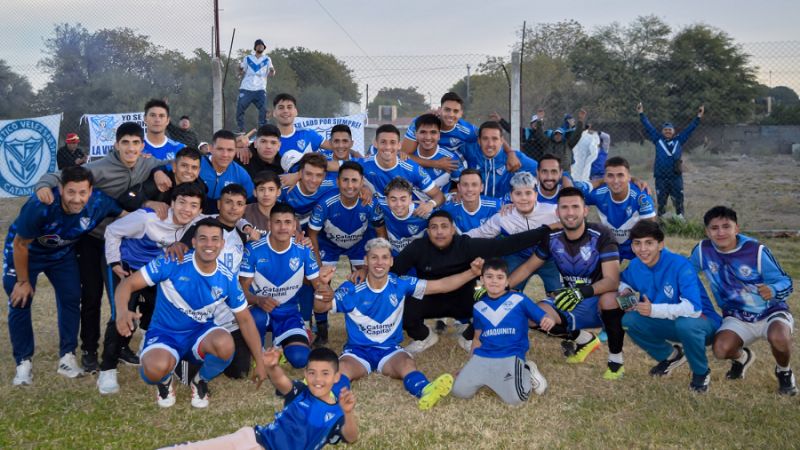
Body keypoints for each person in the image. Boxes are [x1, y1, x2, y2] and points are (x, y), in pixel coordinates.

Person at [34, 122, 171, 373]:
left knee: (124, 296)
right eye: (125, 143)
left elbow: (172, 164)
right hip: (93, 239)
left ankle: (120, 347)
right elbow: (64, 175)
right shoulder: (99, 168)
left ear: (143, 146)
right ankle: (88, 350)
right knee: (92, 296)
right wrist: (44, 185)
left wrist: (160, 170)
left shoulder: (148, 163)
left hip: (122, 244)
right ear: (116, 145)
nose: (131, 148)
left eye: (136, 143)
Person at [314, 237, 483, 410]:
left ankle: (426, 390)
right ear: (366, 261)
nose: (380, 262)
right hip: (358, 352)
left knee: (407, 364)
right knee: (342, 369)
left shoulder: (400, 284)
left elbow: (442, 285)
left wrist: (472, 273)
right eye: (374, 257)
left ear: (391, 261)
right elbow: (320, 308)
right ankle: (333, 397)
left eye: (384, 257)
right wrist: (322, 285)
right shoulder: (351, 289)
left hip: (390, 351)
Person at [115, 218, 267, 408]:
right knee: (154, 369)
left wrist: (260, 362)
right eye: (203, 238)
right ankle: (164, 381)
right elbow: (127, 284)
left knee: (225, 344)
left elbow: (245, 320)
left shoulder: (227, 277)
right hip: (165, 333)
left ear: (222, 243)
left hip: (199, 333)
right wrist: (122, 312)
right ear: (194, 242)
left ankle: (200, 380)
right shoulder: (171, 262)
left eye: (214, 239)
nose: (209, 244)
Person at [7, 166, 123, 385]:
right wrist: (22, 281)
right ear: (60, 189)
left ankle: (67, 356)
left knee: (71, 297)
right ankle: (23, 362)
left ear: (91, 191)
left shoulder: (100, 202)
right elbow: (20, 244)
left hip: (61, 255)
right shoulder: (41, 204)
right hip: (27, 253)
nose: (77, 199)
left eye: (82, 193)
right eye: (71, 192)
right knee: (20, 300)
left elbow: (129, 216)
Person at [389, 210, 556, 354]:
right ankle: (424, 336)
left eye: (444, 226)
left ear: (453, 229)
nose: (439, 232)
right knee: (398, 299)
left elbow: (505, 245)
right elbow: (393, 273)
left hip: (464, 299)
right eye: (434, 227)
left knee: (490, 296)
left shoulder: (466, 245)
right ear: (428, 231)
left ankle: (469, 337)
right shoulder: (417, 247)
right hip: (431, 297)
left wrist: (545, 230)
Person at [97, 182, 206, 394]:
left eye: (193, 205)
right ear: (171, 203)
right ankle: (107, 368)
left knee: (161, 308)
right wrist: (114, 262)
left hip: (154, 272)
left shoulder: (199, 221)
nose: (187, 209)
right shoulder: (147, 218)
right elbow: (111, 230)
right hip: (126, 266)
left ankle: (147, 343)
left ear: (200, 210)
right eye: (181, 203)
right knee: (122, 314)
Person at [508, 187, 625, 380]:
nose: (570, 213)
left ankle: (616, 361)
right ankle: (584, 339)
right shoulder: (552, 238)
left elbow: (612, 281)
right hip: (571, 299)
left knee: (610, 299)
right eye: (564, 207)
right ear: (557, 212)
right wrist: (501, 288)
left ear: (585, 210)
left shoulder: (601, 235)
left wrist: (581, 293)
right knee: (532, 316)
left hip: (599, 298)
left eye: (575, 207)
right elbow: (528, 267)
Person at [162, 347, 358, 449]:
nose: (318, 379)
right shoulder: (300, 392)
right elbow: (281, 381)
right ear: (305, 374)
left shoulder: (336, 413)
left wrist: (348, 413)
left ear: (336, 377)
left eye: (325, 373)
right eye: (312, 373)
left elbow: (351, 437)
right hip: (253, 438)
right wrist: (272, 366)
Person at [691, 206, 796, 395]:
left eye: (726, 226)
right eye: (714, 228)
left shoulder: (756, 251)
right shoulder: (702, 250)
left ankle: (784, 372)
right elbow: (685, 272)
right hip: (736, 315)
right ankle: (742, 358)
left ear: (736, 228)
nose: (721, 232)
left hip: (770, 311)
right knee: (721, 350)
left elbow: (786, 281)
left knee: (779, 337)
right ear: (707, 231)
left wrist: (772, 289)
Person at [620, 220, 721, 393]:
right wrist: (626, 291)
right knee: (629, 320)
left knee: (686, 323)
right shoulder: (636, 265)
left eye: (649, 243)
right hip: (668, 322)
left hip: (703, 324)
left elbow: (694, 309)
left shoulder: (680, 265)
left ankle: (701, 372)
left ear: (660, 244)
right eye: (637, 243)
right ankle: (670, 356)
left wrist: (653, 310)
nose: (642, 249)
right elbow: (620, 280)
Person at [239, 203, 334, 369]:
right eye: (277, 222)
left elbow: (317, 285)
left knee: (300, 359)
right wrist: (258, 299)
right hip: (262, 311)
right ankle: (266, 346)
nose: (283, 227)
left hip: (289, 313)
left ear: (294, 225)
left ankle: (281, 342)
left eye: (288, 222)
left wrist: (324, 286)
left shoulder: (304, 250)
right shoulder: (253, 250)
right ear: (269, 225)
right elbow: (241, 291)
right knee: (258, 317)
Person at [452, 258, 552, 404]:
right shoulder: (478, 306)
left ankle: (527, 369)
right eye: (489, 276)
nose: (494, 281)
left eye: (500, 277)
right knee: (459, 391)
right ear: (482, 280)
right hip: (483, 356)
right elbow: (477, 338)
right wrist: (470, 365)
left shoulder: (519, 299)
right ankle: (491, 376)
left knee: (516, 399)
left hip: (510, 355)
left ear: (506, 281)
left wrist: (548, 320)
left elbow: (544, 316)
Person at [466, 171, 562, 294]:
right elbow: (481, 232)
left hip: (548, 258)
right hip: (517, 256)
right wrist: (458, 239)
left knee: (559, 296)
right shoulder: (503, 216)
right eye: (518, 193)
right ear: (511, 196)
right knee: (505, 294)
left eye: (528, 193)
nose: (524, 198)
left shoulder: (553, 212)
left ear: (536, 195)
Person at [577, 156, 656, 261]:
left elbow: (650, 230)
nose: (615, 181)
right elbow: (571, 190)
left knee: (652, 267)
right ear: (605, 178)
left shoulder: (641, 196)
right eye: (610, 176)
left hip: (635, 242)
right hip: (610, 243)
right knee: (594, 271)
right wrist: (599, 182)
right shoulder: (599, 193)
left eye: (620, 175)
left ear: (628, 177)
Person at [637, 102, 704, 218]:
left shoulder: (679, 140)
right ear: (662, 131)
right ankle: (661, 221)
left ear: (674, 132)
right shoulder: (657, 139)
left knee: (678, 201)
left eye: (670, 130)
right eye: (665, 130)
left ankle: (680, 219)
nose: (667, 131)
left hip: (675, 177)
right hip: (661, 178)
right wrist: (641, 114)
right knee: (661, 202)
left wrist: (698, 117)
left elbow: (690, 129)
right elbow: (648, 127)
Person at [361, 124, 445, 215]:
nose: (388, 147)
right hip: (379, 215)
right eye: (383, 142)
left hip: (406, 215)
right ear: (375, 144)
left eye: (392, 142)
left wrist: (430, 204)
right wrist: (362, 187)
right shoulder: (364, 164)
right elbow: (344, 171)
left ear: (399, 145)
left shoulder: (412, 169)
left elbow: (439, 196)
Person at [458, 121, 538, 199]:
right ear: (479, 141)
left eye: (495, 139)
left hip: (504, 209)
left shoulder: (515, 157)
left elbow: (539, 171)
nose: (490, 144)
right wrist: (454, 189)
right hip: (475, 207)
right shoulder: (469, 151)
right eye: (485, 139)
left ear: (502, 141)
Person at [118, 146, 207, 210]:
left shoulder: (200, 187)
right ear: (174, 167)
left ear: (199, 171)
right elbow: (127, 198)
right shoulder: (159, 182)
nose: (189, 171)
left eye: (194, 167)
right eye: (184, 166)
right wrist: (147, 203)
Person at [198, 129, 254, 214]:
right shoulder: (195, 165)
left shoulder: (241, 174)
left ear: (235, 151)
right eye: (220, 149)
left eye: (230, 150)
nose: (225, 154)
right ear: (211, 148)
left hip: (225, 222)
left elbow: (250, 202)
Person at [409, 113, 464, 199]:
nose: (428, 137)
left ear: (439, 135)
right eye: (423, 132)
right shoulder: (408, 156)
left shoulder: (451, 158)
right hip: (414, 207)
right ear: (416, 135)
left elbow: (461, 184)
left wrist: (455, 193)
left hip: (442, 208)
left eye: (433, 132)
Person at [376, 178, 430, 256]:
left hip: (419, 259)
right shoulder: (381, 205)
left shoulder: (422, 212)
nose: (399, 204)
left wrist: (431, 204)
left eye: (403, 199)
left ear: (410, 198)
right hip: (395, 258)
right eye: (393, 199)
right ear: (387, 200)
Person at [439, 168, 502, 234]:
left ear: (481, 187)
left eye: (474, 184)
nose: (469, 189)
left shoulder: (497, 206)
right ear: (459, 187)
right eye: (465, 185)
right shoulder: (448, 209)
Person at [236, 39, 275, 133]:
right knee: (240, 108)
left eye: (262, 45)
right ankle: (241, 129)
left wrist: (272, 71)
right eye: (258, 45)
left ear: (264, 47)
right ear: (255, 47)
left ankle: (263, 128)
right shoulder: (248, 58)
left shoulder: (267, 59)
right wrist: (239, 68)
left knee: (263, 110)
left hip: (260, 88)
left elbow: (272, 72)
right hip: (246, 88)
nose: (260, 46)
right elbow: (241, 71)